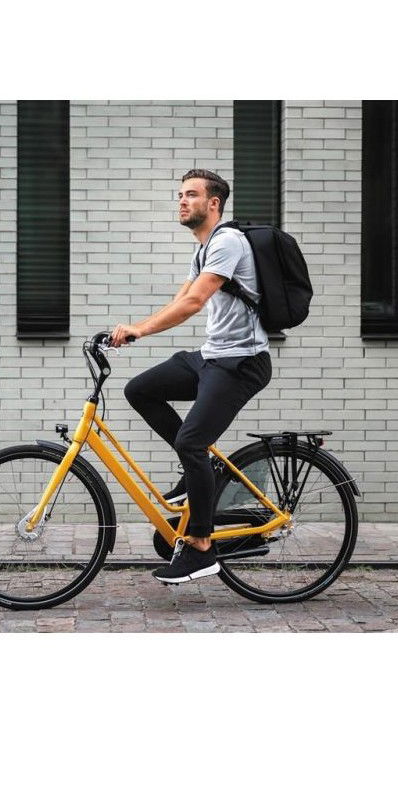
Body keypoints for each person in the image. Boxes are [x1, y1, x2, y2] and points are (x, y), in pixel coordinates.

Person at [110, 169, 272, 584]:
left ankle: (201, 547)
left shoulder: (227, 242)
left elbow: (195, 302)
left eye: (192, 195)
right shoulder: (203, 249)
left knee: (191, 441)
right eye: (180, 195)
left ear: (213, 203)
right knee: (140, 390)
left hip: (241, 363)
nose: (182, 201)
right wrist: (130, 329)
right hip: (212, 357)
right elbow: (180, 298)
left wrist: (140, 330)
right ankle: (203, 473)